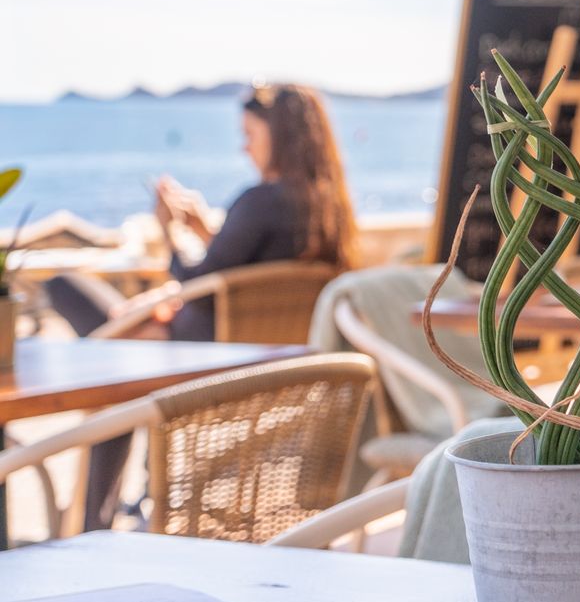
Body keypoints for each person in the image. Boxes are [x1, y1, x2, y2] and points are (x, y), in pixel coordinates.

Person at [41, 82, 359, 527]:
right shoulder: (327, 206)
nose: (244, 147)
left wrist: (170, 230)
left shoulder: (260, 200)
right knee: (122, 352)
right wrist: (206, 227)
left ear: (279, 136)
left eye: (250, 135)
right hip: (271, 353)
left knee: (70, 296)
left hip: (207, 348)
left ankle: (93, 519)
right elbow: (246, 271)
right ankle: (104, 510)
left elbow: (195, 276)